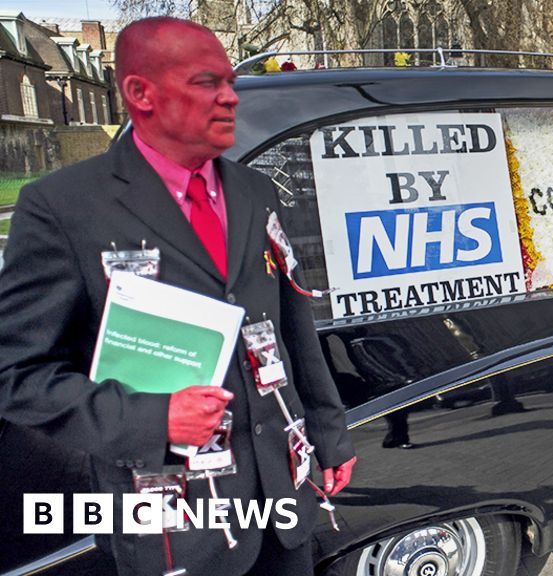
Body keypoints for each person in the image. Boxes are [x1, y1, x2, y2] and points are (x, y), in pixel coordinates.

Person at [0, 17, 355, 576]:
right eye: (206, 82)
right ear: (140, 93)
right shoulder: (62, 207)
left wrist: (330, 435)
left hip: (282, 503)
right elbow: (18, 376)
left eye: (229, 82)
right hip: (173, 526)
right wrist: (156, 417)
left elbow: (293, 326)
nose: (229, 97)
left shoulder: (255, 189)